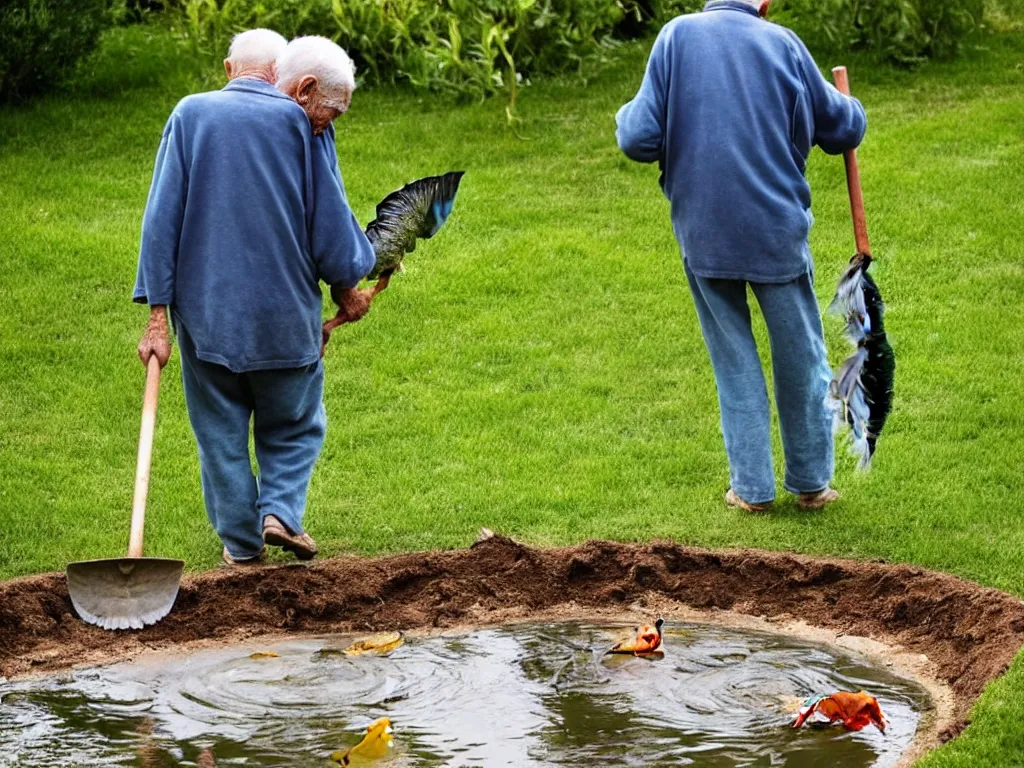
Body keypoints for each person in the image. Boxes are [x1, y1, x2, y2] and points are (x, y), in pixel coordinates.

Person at [134, 31, 376, 565]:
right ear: (285, 77)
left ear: (229, 70)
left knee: (219, 435)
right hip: (285, 321)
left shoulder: (190, 115)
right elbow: (332, 234)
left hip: (207, 322)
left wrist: (156, 317)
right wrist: (349, 282)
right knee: (294, 424)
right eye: (330, 112)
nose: (326, 120)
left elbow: (160, 222)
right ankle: (281, 514)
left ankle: (242, 547)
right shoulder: (301, 124)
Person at [615, 0, 866, 512]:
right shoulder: (784, 44)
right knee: (800, 355)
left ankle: (750, 491)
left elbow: (637, 137)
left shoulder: (675, 37)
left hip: (704, 232)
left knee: (734, 358)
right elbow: (842, 129)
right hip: (775, 230)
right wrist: (853, 106)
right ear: (764, 2)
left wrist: (627, 113)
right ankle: (812, 484)